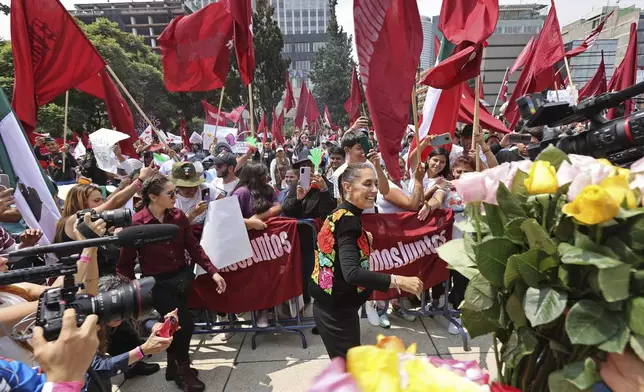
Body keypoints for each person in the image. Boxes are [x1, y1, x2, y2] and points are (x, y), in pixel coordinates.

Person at [117, 175, 226, 392]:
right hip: (157, 284)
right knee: (184, 325)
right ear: (153, 197)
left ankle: (173, 367)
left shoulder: (178, 217)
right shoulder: (138, 222)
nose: (176, 197)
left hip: (181, 279)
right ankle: (183, 370)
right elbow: (126, 261)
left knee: (176, 326)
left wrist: (213, 271)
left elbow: (193, 246)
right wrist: (128, 290)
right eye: (171, 193)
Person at [309, 163, 423, 359]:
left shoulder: (343, 214)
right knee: (349, 373)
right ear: (348, 187)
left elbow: (337, 249)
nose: (374, 190)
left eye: (376, 184)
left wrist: (361, 236)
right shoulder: (348, 220)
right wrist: (398, 281)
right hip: (336, 311)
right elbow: (352, 273)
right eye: (367, 184)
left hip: (335, 306)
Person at [232, 162, 281, 327]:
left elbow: (278, 207)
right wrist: (249, 223)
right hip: (246, 245)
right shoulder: (241, 193)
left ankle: (265, 311)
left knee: (268, 278)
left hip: (268, 245)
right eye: (262, 175)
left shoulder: (268, 190)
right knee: (252, 280)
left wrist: (258, 218)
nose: (265, 178)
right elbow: (229, 217)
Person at [330, 125, 390, 210]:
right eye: (359, 148)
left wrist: (377, 167)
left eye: (365, 147)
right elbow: (341, 203)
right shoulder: (339, 174)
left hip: (372, 218)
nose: (363, 152)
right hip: (352, 220)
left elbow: (385, 191)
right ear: (347, 150)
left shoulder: (371, 166)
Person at [282, 149, 336, 220]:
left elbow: (329, 213)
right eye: (304, 165)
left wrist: (324, 191)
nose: (308, 168)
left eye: (311, 165)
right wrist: (297, 200)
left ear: (319, 166)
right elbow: (286, 210)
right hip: (298, 227)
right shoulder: (296, 185)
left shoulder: (329, 186)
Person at [169, 162, 216, 228]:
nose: (192, 190)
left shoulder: (205, 190)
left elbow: (220, 206)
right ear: (177, 186)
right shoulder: (173, 200)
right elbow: (177, 228)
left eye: (195, 185)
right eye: (186, 187)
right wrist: (193, 214)